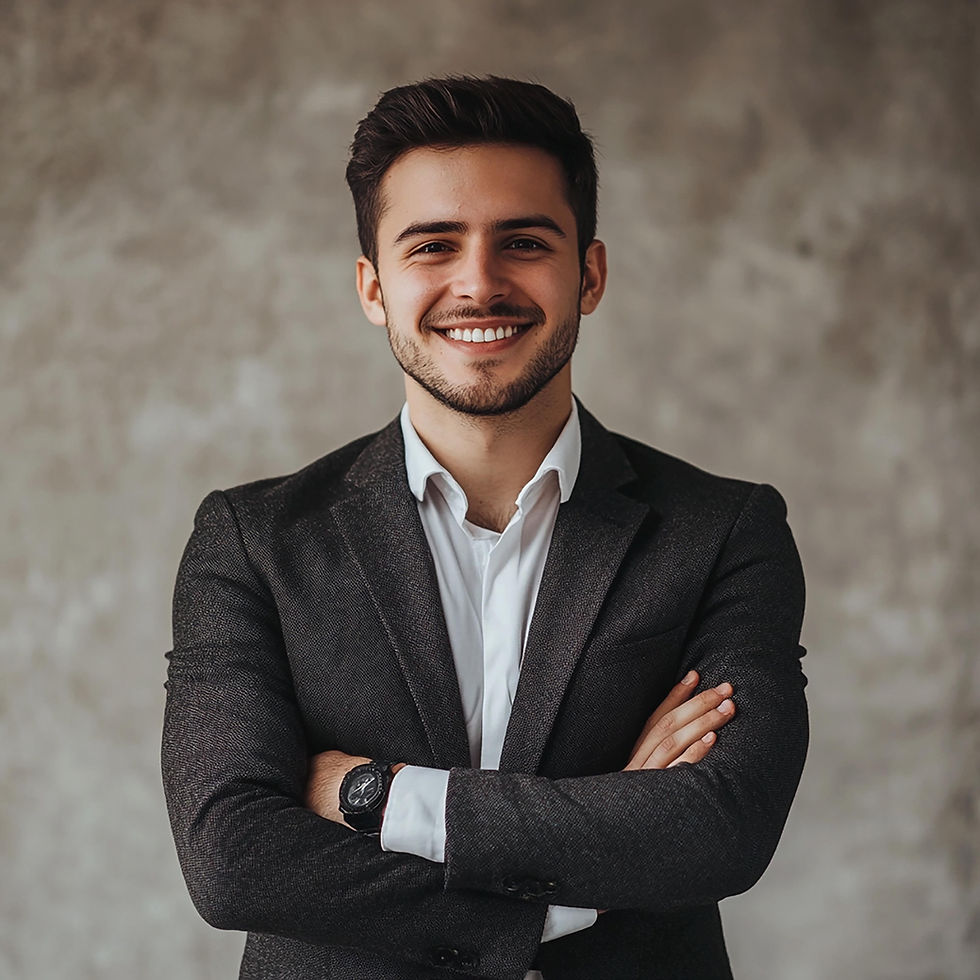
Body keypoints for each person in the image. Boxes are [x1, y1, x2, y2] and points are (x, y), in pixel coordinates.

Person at [162, 75, 808, 980]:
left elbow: (720, 827)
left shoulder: (724, 530)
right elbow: (232, 857)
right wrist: (576, 872)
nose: (479, 282)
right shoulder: (252, 541)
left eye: (523, 242)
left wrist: (376, 798)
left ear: (589, 272)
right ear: (373, 287)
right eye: (433, 245)